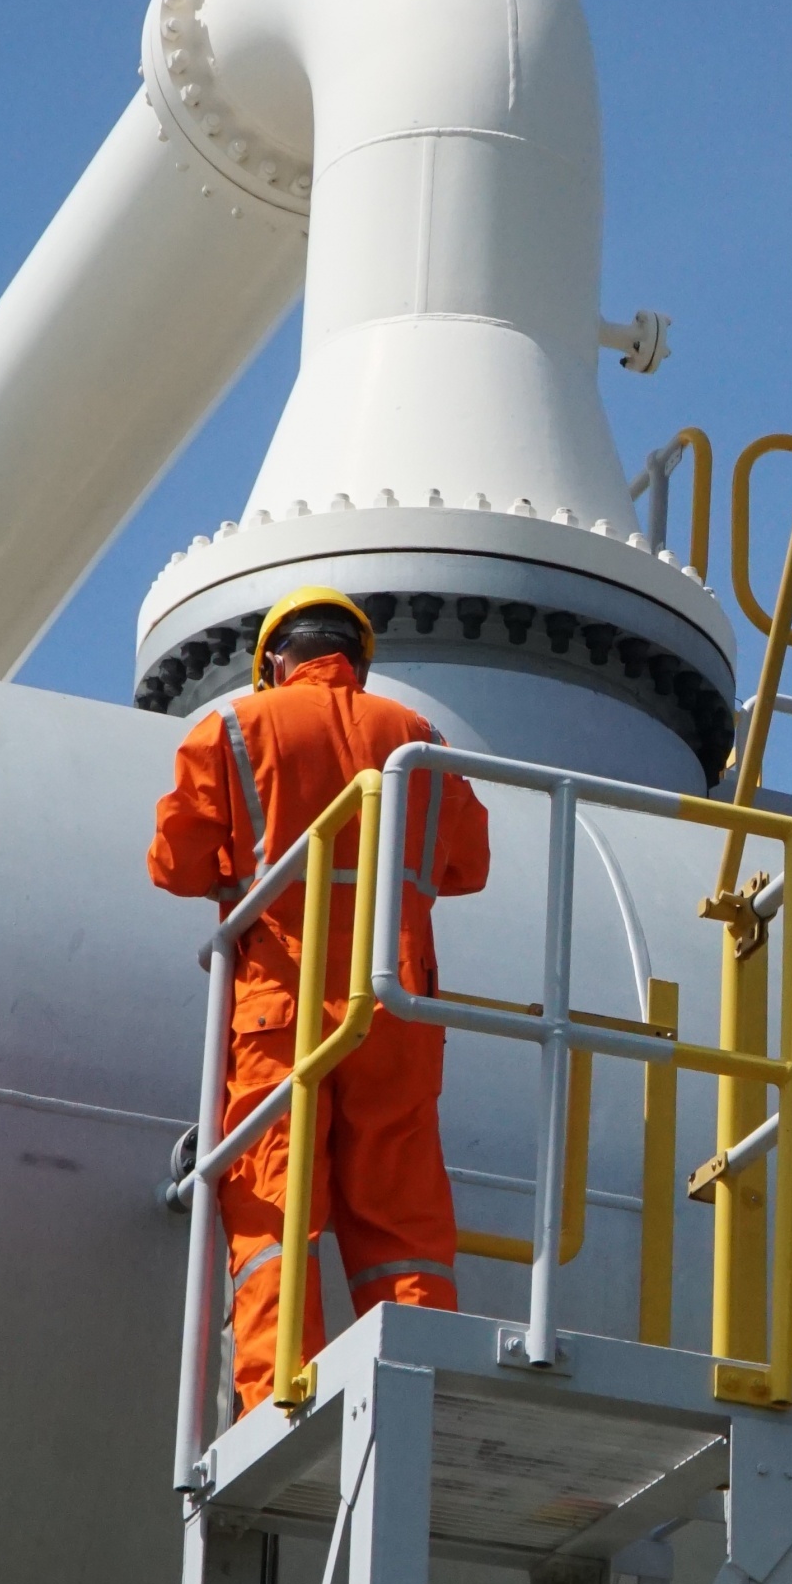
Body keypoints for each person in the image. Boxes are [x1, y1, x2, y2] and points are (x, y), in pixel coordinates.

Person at [149, 585, 490, 1413]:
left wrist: (244, 872)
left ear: (274, 661)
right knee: (403, 1216)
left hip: (283, 1008)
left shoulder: (236, 728)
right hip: (396, 1008)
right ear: (358, 661)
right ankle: (418, 1393)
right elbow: (467, 867)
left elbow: (175, 867)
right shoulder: (419, 739)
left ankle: (279, 1399)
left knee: (277, 1206)